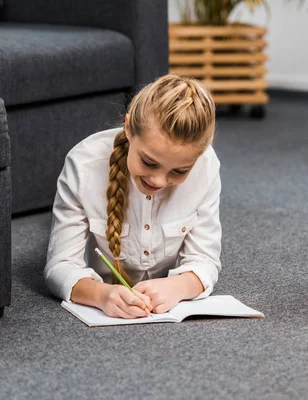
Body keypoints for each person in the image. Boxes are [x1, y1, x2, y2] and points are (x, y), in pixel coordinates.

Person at [45, 74, 222, 319]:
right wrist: (101, 295)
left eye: (180, 171)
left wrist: (177, 287)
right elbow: (59, 267)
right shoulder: (83, 165)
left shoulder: (206, 166)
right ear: (128, 128)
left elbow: (205, 260)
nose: (159, 181)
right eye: (149, 162)